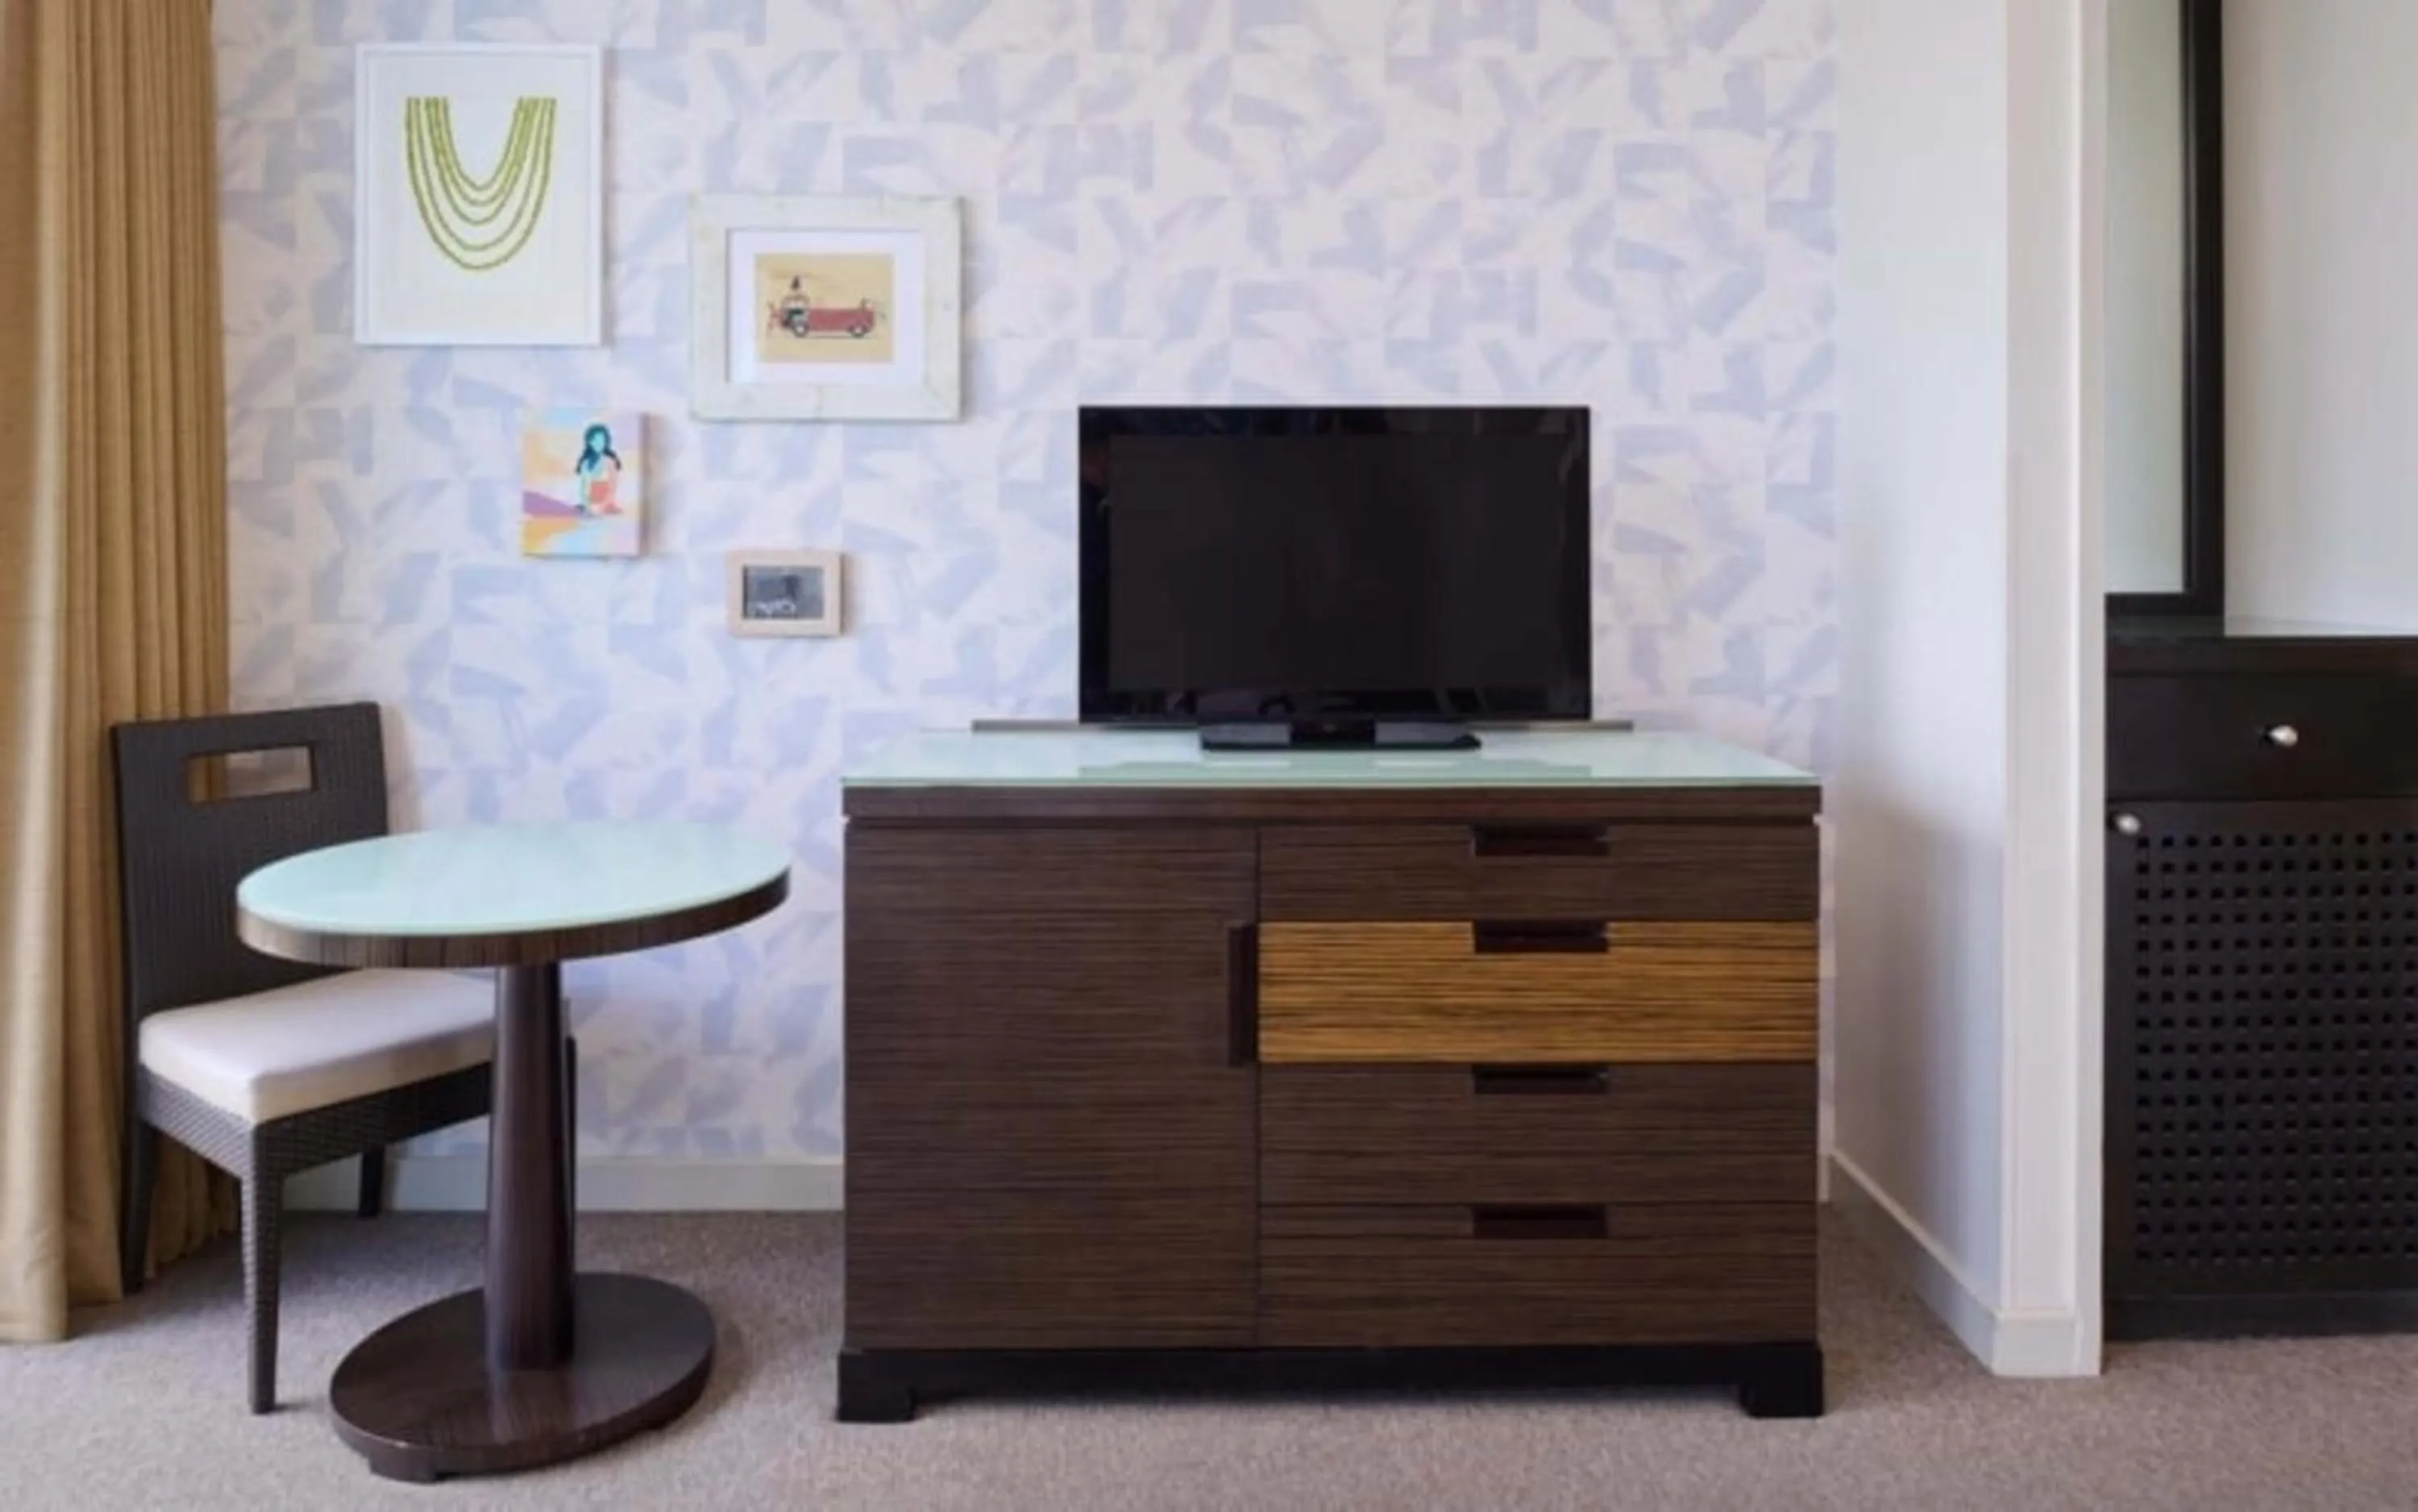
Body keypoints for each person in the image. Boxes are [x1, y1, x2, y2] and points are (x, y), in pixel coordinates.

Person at [575, 422, 622, 515]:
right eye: (595, 440)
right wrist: (588, 506)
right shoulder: (585, 463)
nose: (598, 443)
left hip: (607, 505)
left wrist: (601, 507)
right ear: (589, 442)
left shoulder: (610, 462)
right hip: (590, 506)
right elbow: (583, 489)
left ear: (606, 442)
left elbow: (612, 489)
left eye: (601, 440)